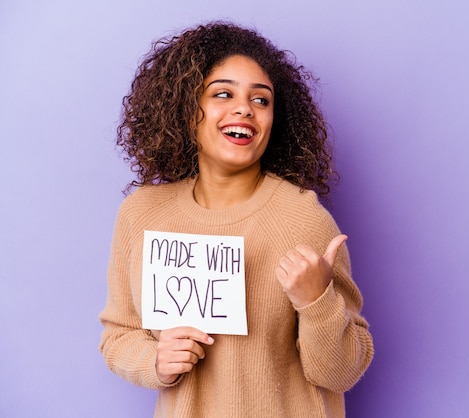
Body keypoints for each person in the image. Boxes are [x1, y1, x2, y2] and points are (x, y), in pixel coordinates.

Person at [99, 21, 374, 418]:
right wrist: (154, 360)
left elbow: (342, 372)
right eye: (222, 94)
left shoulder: (303, 219)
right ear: (184, 106)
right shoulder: (142, 214)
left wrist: (317, 302)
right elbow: (117, 337)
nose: (244, 108)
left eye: (261, 100)